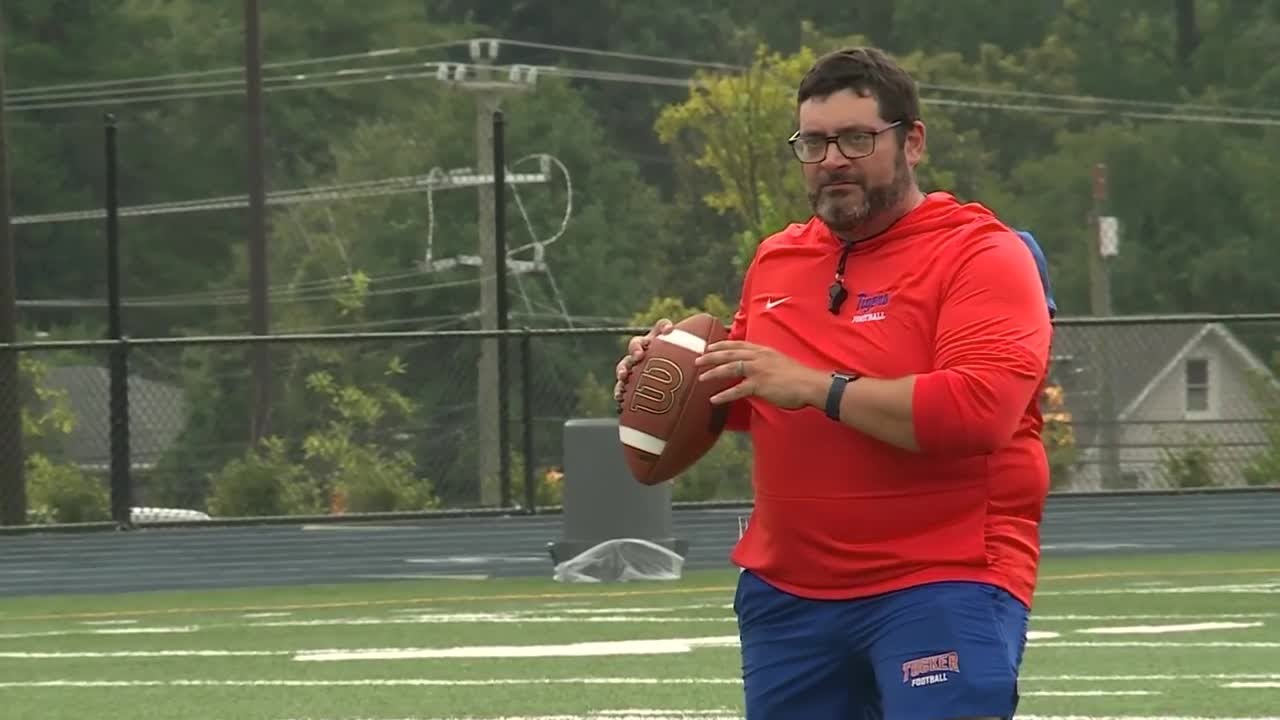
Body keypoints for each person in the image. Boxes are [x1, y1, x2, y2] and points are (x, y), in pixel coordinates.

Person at [614, 47, 1056, 719]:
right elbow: (752, 394)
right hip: (790, 593)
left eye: (856, 139)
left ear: (912, 142)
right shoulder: (778, 257)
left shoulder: (981, 253)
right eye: (814, 143)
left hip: (940, 579)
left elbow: (978, 411)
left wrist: (819, 386)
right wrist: (668, 378)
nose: (832, 161)